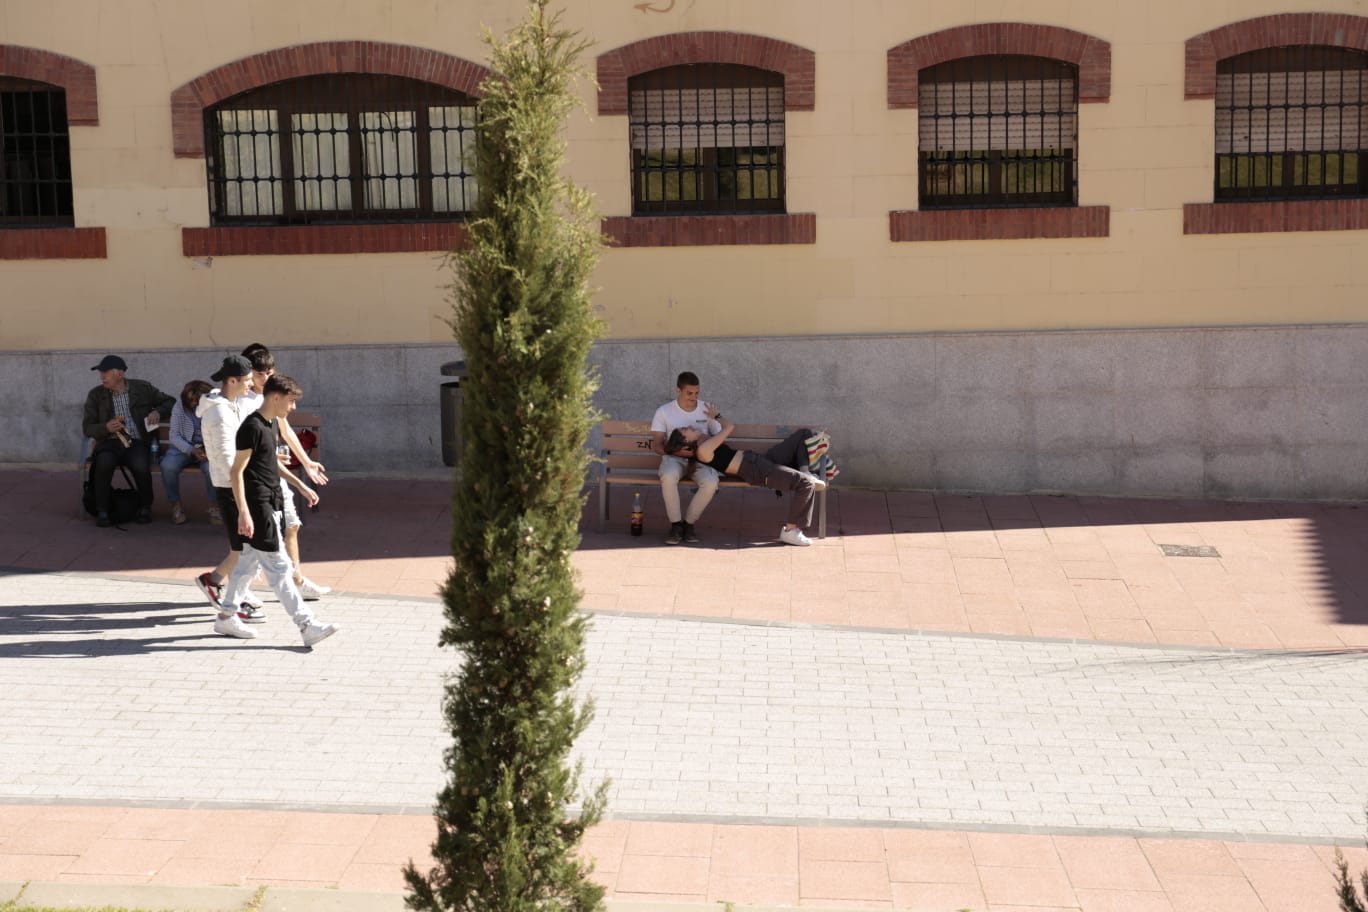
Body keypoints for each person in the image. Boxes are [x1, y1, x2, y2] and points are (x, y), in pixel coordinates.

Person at [215, 374, 339, 647]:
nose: (292, 407)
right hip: (257, 504)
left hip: (271, 501)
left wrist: (300, 486)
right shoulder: (251, 428)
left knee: (247, 562)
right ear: (275, 397)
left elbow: (270, 464)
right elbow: (236, 471)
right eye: (291, 401)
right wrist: (244, 512)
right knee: (279, 567)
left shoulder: (269, 424)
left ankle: (225, 616)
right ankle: (306, 625)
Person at [240, 343, 331, 600]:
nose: (266, 379)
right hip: (257, 477)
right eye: (260, 374)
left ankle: (296, 580)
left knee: (291, 525)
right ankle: (234, 590)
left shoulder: (272, 395)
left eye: (270, 372)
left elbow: (286, 430)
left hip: (273, 471)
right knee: (253, 541)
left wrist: (307, 462)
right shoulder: (245, 404)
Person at [665, 404, 827, 547]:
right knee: (805, 484)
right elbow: (729, 427)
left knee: (803, 435)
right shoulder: (703, 451)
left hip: (760, 460)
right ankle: (791, 530)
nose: (688, 427)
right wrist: (716, 416)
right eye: (685, 430)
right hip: (756, 470)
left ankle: (805, 471)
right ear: (685, 442)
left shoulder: (703, 443)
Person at [194, 355, 266, 622]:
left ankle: (215, 582)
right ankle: (232, 601)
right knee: (246, 548)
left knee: (244, 548)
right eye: (247, 381)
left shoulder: (231, 404)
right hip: (231, 487)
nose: (251, 385)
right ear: (232, 380)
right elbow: (227, 461)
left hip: (238, 484)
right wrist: (244, 494)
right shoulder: (219, 413)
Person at [81, 355, 176, 527]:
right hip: (109, 442)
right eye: (101, 373)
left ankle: (145, 507)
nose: (102, 376)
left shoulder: (142, 388)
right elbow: (87, 427)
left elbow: (170, 401)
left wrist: (158, 412)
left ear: (120, 374)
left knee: (140, 465)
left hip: (136, 441)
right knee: (103, 463)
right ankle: (102, 510)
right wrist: (106, 428)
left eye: (106, 372)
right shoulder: (96, 395)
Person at [649, 371, 721, 545]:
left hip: (700, 459)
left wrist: (704, 443)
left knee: (711, 483)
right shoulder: (664, 411)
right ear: (678, 390)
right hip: (673, 458)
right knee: (668, 476)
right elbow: (657, 445)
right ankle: (675, 525)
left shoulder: (706, 409)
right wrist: (676, 452)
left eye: (697, 393)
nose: (694, 397)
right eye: (689, 393)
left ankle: (688, 525)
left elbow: (720, 437)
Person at [161, 380, 215, 525]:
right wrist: (191, 449)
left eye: (197, 402)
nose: (193, 405)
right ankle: (176, 505)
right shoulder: (179, 406)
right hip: (183, 447)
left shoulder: (216, 405)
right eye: (190, 402)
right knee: (168, 466)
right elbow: (174, 435)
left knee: (212, 468)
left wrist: (209, 450)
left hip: (209, 448)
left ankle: (214, 506)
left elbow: (223, 432)